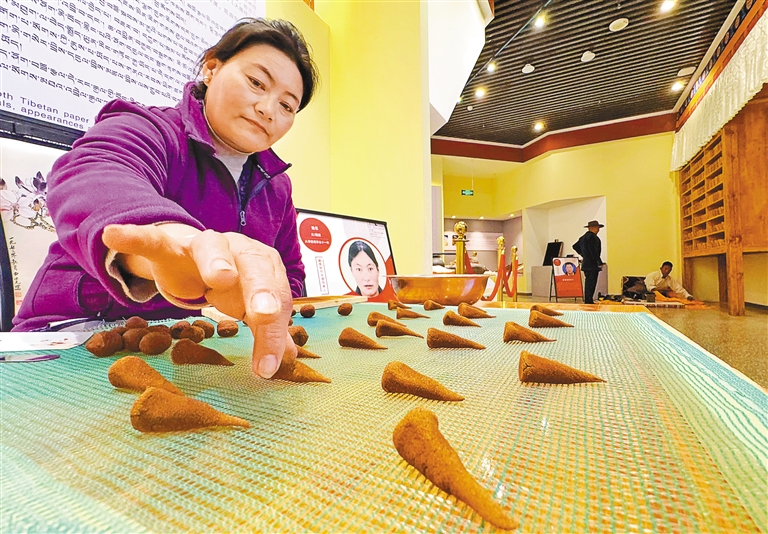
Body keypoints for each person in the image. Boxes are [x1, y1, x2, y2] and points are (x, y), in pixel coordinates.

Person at [12, 19, 320, 379]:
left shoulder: (277, 186)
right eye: (256, 82)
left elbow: (291, 272)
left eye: (287, 106)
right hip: (75, 333)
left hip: (188, 344)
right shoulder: (149, 128)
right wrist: (176, 241)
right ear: (211, 69)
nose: (268, 109)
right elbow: (96, 172)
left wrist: (262, 301)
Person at [573, 220, 604, 304]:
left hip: (586, 264)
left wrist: (584, 254)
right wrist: (599, 262)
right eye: (598, 228)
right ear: (594, 228)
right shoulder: (594, 238)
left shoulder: (582, 238)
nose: (598, 230)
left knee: (588, 283)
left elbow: (575, 246)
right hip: (592, 264)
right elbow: (594, 252)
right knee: (592, 283)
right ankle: (589, 300)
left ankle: (588, 299)